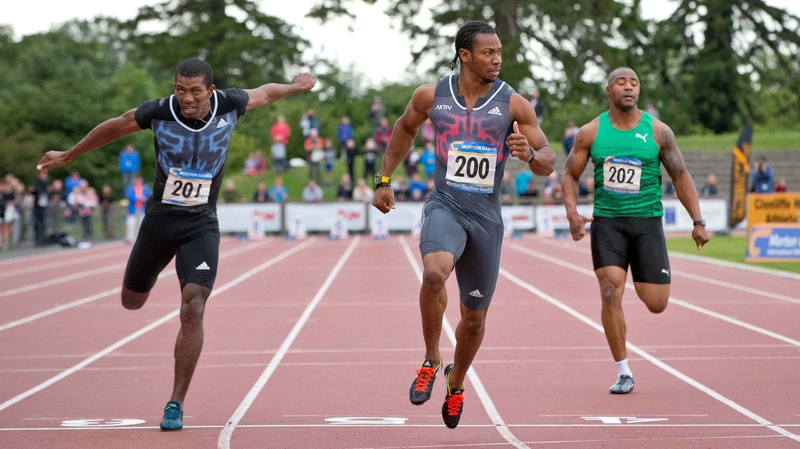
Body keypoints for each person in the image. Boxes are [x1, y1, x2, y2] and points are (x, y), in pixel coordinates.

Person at [36, 58, 314, 431]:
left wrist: (296, 86)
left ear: (210, 91)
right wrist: (69, 154)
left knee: (194, 304)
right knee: (131, 301)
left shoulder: (230, 104)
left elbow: (265, 93)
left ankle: (175, 403)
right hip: (159, 223)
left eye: (195, 90)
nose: (186, 97)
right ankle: (148, 283)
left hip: (200, 224)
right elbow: (116, 126)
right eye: (180, 89)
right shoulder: (160, 111)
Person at [372, 21, 556, 429]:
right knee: (434, 272)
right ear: (465, 55)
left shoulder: (513, 104)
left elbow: (547, 159)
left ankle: (457, 383)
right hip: (446, 204)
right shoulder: (431, 95)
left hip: (486, 218)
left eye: (500, 53)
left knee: (473, 318)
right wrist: (384, 180)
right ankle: (432, 357)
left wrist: (528, 154)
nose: (497, 60)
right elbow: (404, 128)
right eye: (489, 53)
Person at [561, 66, 709, 396]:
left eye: (635, 83)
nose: (629, 87)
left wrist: (698, 222)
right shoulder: (590, 132)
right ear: (608, 91)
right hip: (608, 224)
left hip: (647, 224)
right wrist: (572, 213)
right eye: (621, 83)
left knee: (656, 303)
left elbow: (681, 175)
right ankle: (623, 370)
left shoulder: (658, 132)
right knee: (610, 290)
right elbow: (569, 176)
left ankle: (642, 275)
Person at [124, 176, 150, 244]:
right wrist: (139, 198)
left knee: (141, 223)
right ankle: (129, 237)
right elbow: (129, 196)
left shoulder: (145, 188)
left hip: (142, 208)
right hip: (133, 208)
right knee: (131, 223)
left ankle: (140, 237)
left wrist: (145, 199)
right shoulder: (130, 188)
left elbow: (149, 196)